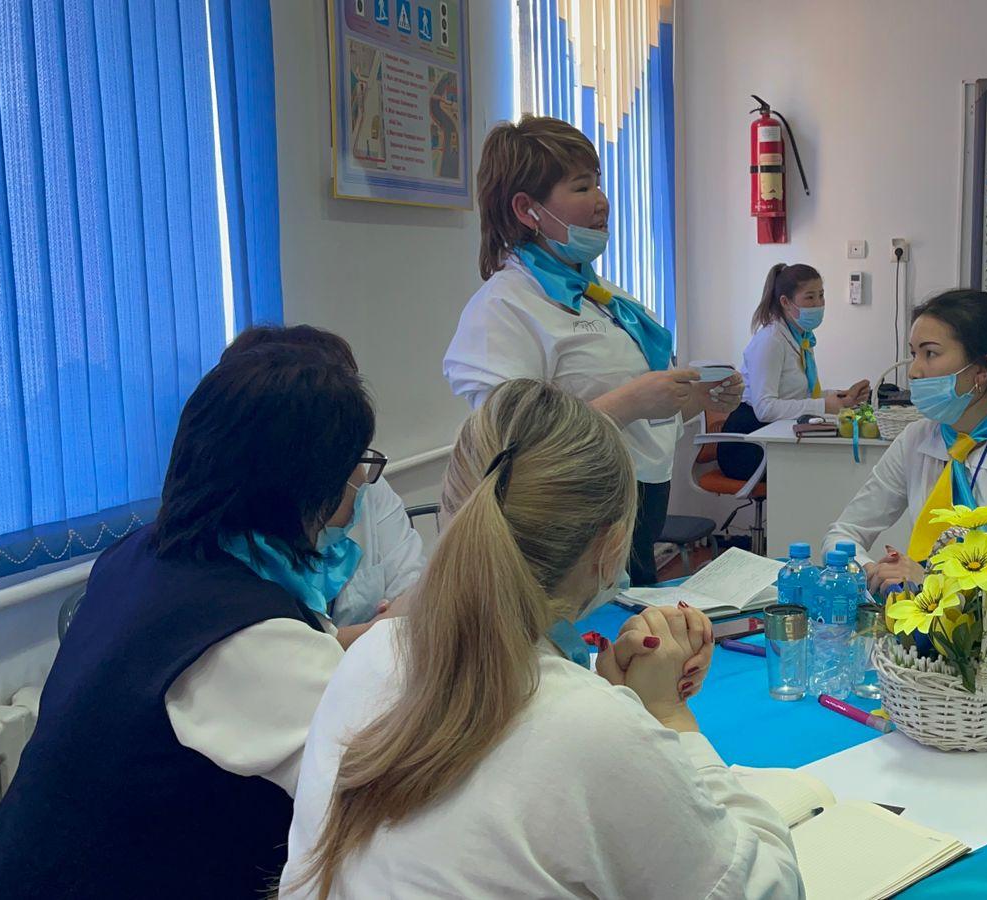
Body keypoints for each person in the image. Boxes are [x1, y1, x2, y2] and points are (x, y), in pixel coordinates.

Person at [282, 380, 800, 899]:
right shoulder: (593, 731)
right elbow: (770, 889)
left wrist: (607, 695)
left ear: (448, 512)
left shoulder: (370, 656)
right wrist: (667, 716)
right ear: (611, 547)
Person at [0, 343, 376, 899]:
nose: (362, 481)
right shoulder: (248, 641)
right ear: (305, 484)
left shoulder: (145, 555)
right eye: (357, 464)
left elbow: (283, 654)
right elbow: (377, 781)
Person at [443, 116, 743, 585]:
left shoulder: (604, 297)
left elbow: (643, 419)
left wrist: (698, 398)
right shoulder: (504, 308)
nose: (602, 201)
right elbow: (509, 446)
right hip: (569, 528)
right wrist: (631, 402)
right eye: (582, 187)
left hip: (635, 511)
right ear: (527, 208)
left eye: (598, 183)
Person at [824, 289, 987, 622]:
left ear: (982, 371)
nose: (914, 371)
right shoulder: (916, 439)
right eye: (913, 354)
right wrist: (870, 571)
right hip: (921, 633)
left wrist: (942, 588)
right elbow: (843, 533)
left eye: (930, 354)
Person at [221, 325, 424, 642]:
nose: (358, 472)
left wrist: (366, 633)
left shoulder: (367, 483)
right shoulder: (232, 537)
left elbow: (415, 600)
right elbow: (272, 649)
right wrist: (375, 630)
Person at [717, 262, 871, 480]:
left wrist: (841, 397)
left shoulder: (802, 339)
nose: (818, 304)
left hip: (777, 435)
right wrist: (824, 405)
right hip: (748, 444)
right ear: (785, 302)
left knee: (833, 464)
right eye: (810, 297)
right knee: (826, 470)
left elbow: (799, 395)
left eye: (821, 295)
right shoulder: (771, 341)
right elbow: (765, 408)